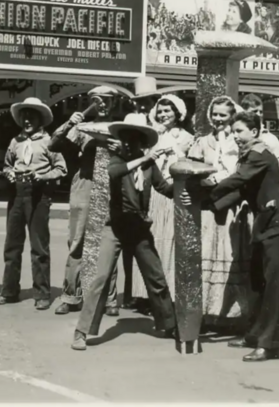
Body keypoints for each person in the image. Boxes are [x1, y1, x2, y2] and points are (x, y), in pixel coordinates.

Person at [72, 113, 177, 350]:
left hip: (139, 228)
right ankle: (82, 331)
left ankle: (170, 325)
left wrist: (185, 183)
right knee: (101, 277)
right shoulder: (117, 159)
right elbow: (114, 173)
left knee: (156, 277)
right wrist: (144, 159)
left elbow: (164, 188)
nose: (130, 143)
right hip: (116, 227)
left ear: (143, 142)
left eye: (136, 139)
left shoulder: (149, 164)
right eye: (127, 138)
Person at [203, 111, 279, 362]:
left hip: (277, 226)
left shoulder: (260, 154)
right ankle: (254, 335)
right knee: (256, 284)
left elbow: (237, 180)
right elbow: (243, 191)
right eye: (233, 132)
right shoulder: (249, 156)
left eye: (239, 131)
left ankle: (271, 345)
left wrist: (206, 191)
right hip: (264, 224)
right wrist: (210, 206)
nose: (235, 136)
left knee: (274, 288)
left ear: (254, 132)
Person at [49, 87, 121, 317]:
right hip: (84, 184)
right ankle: (71, 296)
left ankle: (108, 298)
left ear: (113, 104)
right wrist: (70, 123)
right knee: (77, 240)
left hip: (111, 186)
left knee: (107, 241)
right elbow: (54, 145)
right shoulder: (81, 128)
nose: (102, 105)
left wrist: (123, 149)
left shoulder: (120, 128)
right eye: (97, 101)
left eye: (107, 101)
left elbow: (132, 155)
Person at [0, 98, 67, 311]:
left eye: (31, 116)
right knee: (12, 245)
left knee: (39, 247)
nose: (27, 120)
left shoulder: (49, 142)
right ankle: (9, 291)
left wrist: (41, 177)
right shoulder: (15, 141)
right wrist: (9, 174)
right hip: (16, 194)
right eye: (24, 116)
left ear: (40, 119)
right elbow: (7, 165)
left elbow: (61, 169)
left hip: (39, 195)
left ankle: (42, 294)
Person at [189, 96, 254, 334]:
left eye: (222, 115)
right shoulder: (203, 141)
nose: (217, 119)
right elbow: (192, 168)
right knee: (209, 254)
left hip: (233, 204)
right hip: (209, 204)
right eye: (214, 114)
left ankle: (234, 316)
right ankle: (209, 313)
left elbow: (240, 172)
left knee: (231, 256)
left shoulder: (238, 141)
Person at [129, 95, 194, 308]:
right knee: (147, 241)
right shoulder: (151, 134)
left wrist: (172, 151)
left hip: (168, 189)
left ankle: (166, 295)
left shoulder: (186, 137)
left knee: (167, 242)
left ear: (178, 114)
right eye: (161, 111)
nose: (163, 115)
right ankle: (142, 295)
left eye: (168, 111)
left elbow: (186, 163)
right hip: (150, 190)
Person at [239, 93, 279, 179]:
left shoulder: (270, 139)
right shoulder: (236, 136)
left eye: (261, 111)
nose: (259, 114)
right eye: (254, 111)